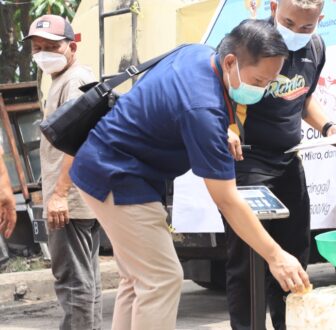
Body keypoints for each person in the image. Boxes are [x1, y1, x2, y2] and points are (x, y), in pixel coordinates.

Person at [68, 19, 310, 329]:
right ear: (231, 61)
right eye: (259, 81)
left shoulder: (199, 54)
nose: (262, 91)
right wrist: (276, 256)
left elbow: (172, 101)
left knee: (138, 279)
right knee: (163, 279)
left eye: (269, 83)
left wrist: (223, 128)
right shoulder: (203, 110)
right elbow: (227, 200)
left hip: (107, 162)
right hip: (118, 174)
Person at [222, 1, 336, 329]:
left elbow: (304, 100)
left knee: (294, 255)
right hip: (247, 162)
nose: (296, 33)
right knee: (248, 262)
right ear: (273, 6)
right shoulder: (248, 41)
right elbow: (220, 93)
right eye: (288, 22)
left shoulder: (315, 47)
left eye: (306, 26)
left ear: (320, 19)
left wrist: (329, 128)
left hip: (289, 160)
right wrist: (226, 128)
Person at [23, 15, 102, 330]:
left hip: (68, 199)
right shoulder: (60, 78)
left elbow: (81, 139)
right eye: (37, 47)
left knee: (73, 282)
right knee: (85, 279)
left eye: (52, 46)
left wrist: (58, 194)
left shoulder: (74, 81)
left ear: (72, 45)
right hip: (73, 196)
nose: (43, 52)